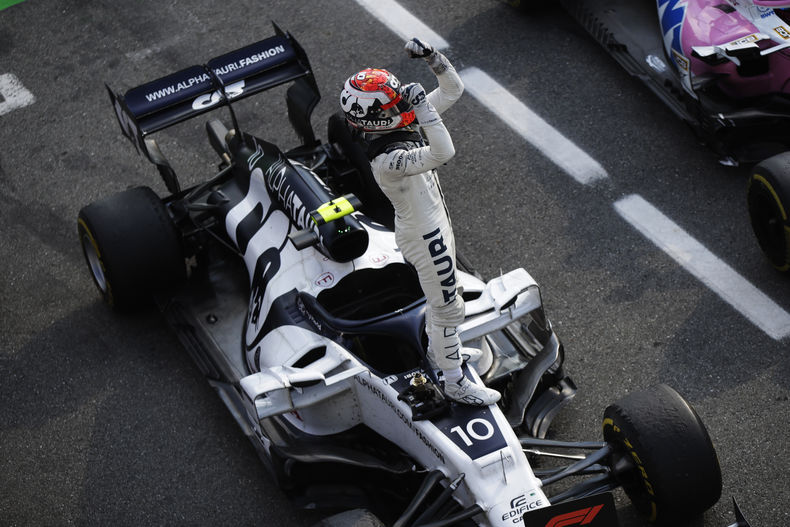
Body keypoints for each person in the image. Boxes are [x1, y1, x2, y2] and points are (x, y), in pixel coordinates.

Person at [339, 38, 500, 406]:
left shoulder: (395, 123)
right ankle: (454, 381)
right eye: (393, 102)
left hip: (434, 224)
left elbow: (453, 89)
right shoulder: (385, 160)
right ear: (376, 115)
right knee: (448, 306)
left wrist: (433, 58)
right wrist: (423, 107)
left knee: (447, 298)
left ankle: (446, 356)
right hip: (425, 235)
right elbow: (445, 151)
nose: (403, 105)